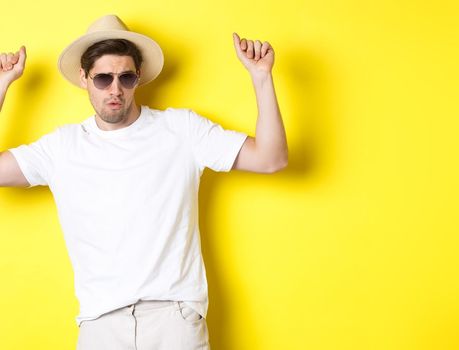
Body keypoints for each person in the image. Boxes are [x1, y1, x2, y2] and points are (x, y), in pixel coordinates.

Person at [0, 14, 287, 349]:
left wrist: (261, 77)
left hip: (174, 320)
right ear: (84, 78)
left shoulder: (182, 130)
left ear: (139, 77)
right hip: (100, 325)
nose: (115, 90)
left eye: (126, 78)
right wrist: (2, 85)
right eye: (103, 78)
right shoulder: (62, 147)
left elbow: (271, 158)